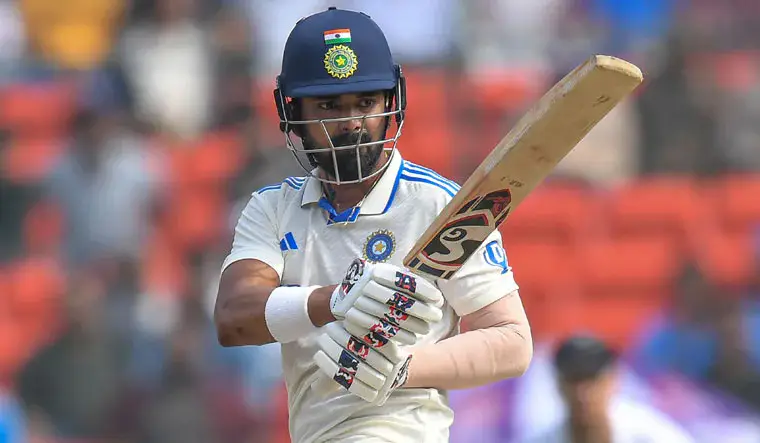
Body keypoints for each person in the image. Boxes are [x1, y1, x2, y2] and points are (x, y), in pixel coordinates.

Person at [213, 7, 533, 443]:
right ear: (292, 110)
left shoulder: (440, 204)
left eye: (365, 103)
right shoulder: (272, 209)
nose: (350, 124)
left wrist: (403, 368)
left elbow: (512, 340)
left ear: (391, 103)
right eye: (328, 105)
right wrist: (339, 298)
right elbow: (234, 318)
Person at [520, 335, 695, 443]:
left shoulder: (651, 436)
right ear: (558, 384)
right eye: (574, 380)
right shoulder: (542, 439)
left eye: (592, 379)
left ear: (613, 381)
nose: (582, 393)